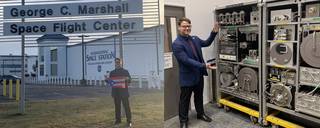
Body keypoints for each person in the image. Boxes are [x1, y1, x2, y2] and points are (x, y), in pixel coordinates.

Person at [172, 17, 219, 128]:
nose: (187, 28)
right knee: (185, 100)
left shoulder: (195, 39)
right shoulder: (177, 44)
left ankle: (200, 113)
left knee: (199, 96)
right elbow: (186, 60)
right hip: (187, 77)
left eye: (188, 26)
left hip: (198, 75)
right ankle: (183, 121)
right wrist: (203, 65)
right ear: (179, 27)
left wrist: (214, 32)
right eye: (184, 26)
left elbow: (207, 43)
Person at [106, 58, 132, 128]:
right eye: (116, 62)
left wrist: (128, 79)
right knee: (117, 107)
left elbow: (130, 80)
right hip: (116, 93)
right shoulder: (112, 72)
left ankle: (129, 121)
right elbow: (110, 82)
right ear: (115, 63)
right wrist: (106, 79)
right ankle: (118, 120)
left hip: (124, 93)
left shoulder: (125, 71)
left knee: (127, 107)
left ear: (121, 63)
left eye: (119, 62)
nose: (117, 63)